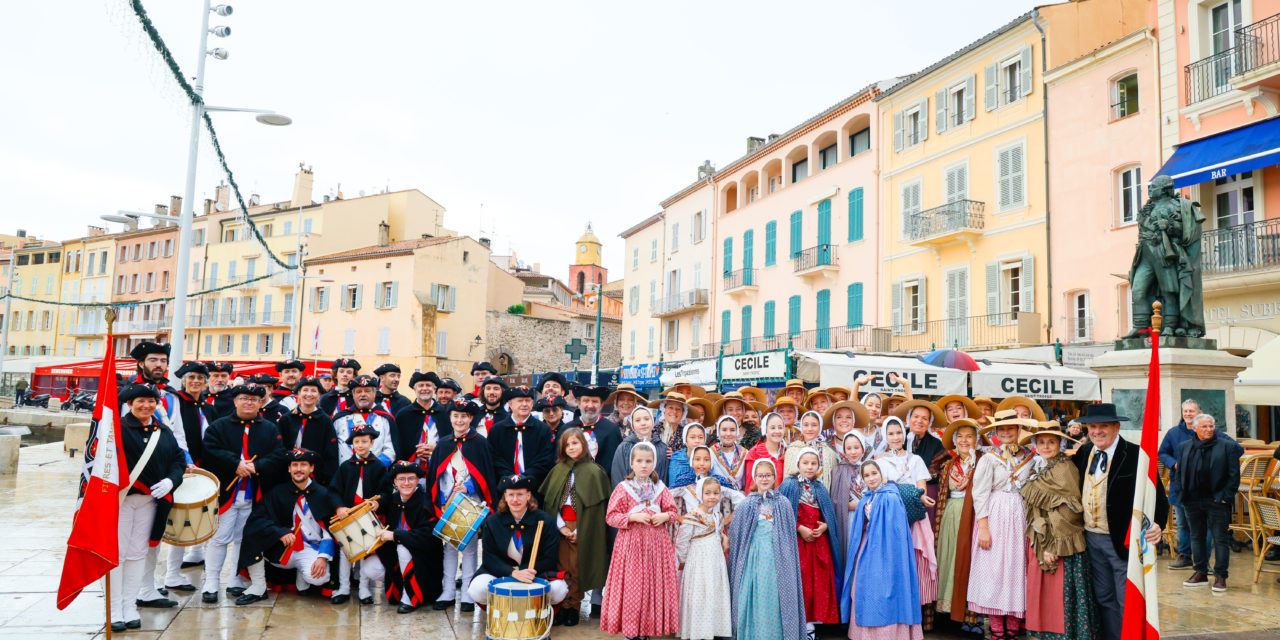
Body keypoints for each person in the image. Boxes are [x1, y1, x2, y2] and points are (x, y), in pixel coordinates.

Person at [1071, 403, 1167, 640]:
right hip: (1091, 539)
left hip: (1124, 541)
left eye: (1103, 426)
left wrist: (1157, 524)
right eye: (1092, 427)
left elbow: (1159, 497)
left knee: (1127, 598)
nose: (1097, 431)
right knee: (1103, 598)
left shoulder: (1136, 455)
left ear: (1116, 427)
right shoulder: (1083, 453)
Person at [107, 383, 187, 632]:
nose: (146, 406)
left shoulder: (162, 430)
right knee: (117, 557)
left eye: (151, 401)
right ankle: (114, 609)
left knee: (137, 554)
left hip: (150, 502)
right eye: (140, 401)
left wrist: (171, 481)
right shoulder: (115, 429)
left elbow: (177, 459)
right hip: (121, 500)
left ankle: (130, 606)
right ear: (129, 404)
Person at [199, 385, 284, 603]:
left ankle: (234, 578)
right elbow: (210, 450)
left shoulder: (269, 428)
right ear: (235, 401)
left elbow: (279, 454)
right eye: (244, 398)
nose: (249, 402)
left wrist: (258, 467)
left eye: (254, 399)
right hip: (227, 492)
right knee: (219, 538)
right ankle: (211, 582)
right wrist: (234, 464)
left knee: (242, 538)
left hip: (254, 493)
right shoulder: (219, 426)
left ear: (260, 403)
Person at [234, 448, 340, 605]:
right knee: (253, 532)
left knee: (318, 578)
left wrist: (323, 557)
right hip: (281, 548)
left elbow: (330, 531)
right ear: (289, 468)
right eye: (295, 465)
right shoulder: (277, 492)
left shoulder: (324, 494)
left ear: (311, 468)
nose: (298, 469)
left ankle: (302, 575)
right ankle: (258, 587)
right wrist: (279, 533)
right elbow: (258, 519)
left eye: (303, 465)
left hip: (309, 548)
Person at [1019, 425, 1096, 640]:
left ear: (1060, 444)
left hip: (1059, 542)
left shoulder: (1064, 469)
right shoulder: (1042, 467)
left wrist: (1052, 546)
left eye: (1051, 442)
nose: (1046, 446)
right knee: (1044, 593)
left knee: (1060, 596)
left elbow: (1069, 512)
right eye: (1041, 442)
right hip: (1042, 537)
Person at [600, 442, 680, 639]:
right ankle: (631, 631)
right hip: (631, 546)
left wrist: (664, 517)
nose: (644, 465)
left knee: (652, 589)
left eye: (648, 461)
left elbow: (673, 512)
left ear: (654, 463)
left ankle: (646, 629)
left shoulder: (660, 488)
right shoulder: (623, 488)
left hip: (656, 546)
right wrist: (632, 517)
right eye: (639, 461)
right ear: (632, 464)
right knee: (633, 589)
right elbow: (611, 516)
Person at [967, 411, 1035, 639]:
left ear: (1018, 431)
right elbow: (980, 493)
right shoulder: (988, 458)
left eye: (1010, 429)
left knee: (1017, 569)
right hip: (994, 515)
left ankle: (1014, 629)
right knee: (993, 571)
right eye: (1001, 429)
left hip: (1020, 516)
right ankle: (996, 630)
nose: (1006, 433)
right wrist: (983, 527)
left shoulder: (1030, 457)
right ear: (996, 432)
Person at [840, 460, 924, 640]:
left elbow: (896, 531)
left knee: (886, 590)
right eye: (867, 475)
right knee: (862, 588)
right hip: (868, 547)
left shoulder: (891, 497)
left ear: (882, 474)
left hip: (888, 552)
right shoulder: (867, 497)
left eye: (874, 473)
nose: (871, 478)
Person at [426, 399, 497, 612]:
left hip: (470, 502)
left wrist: (468, 486)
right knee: (448, 547)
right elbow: (436, 475)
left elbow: (485, 473)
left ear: (471, 418)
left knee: (469, 548)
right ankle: (447, 590)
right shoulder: (444, 443)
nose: (459, 420)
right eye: (455, 416)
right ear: (450, 418)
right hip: (447, 501)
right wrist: (440, 500)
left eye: (464, 416)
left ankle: (467, 591)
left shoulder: (480, 442)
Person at [728, 459, 807, 640]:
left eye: (768, 475)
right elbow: (738, 534)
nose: (764, 479)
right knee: (753, 594)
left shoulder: (783, 503)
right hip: (753, 557)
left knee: (774, 595)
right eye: (760, 475)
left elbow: (788, 535)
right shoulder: (746, 503)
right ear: (754, 478)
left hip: (776, 557)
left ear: (775, 477)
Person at [540, 428, 611, 626]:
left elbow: (597, 509)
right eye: (567, 445)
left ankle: (574, 606)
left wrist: (580, 530)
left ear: (584, 445)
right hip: (561, 525)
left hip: (583, 526)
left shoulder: (594, 471)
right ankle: (561, 606)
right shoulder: (558, 470)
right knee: (563, 567)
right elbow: (551, 502)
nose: (571, 448)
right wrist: (561, 526)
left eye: (575, 443)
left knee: (577, 567)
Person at [466, 474, 568, 606]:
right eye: (511, 495)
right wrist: (512, 572)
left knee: (559, 589)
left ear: (528, 495)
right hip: (501, 573)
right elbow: (489, 558)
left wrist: (523, 571)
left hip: (534, 573)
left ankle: (535, 610)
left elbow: (550, 558)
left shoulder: (545, 521)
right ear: (505, 497)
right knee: (477, 589)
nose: (515, 499)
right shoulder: (492, 521)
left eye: (520, 494)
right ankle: (501, 611)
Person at [878, 417, 938, 626]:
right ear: (885, 436)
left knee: (915, 559)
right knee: (894, 560)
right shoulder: (879, 461)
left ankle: (914, 611)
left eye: (898, 433)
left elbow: (921, 486)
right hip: (891, 516)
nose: (896, 437)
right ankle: (894, 608)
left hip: (914, 515)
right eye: (891, 433)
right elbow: (880, 487)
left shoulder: (916, 459)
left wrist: (922, 497)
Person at [362, 460, 442, 613]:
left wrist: (395, 535)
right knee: (370, 566)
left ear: (418, 480)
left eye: (411, 478)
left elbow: (428, 537)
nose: (406, 483)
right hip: (398, 557)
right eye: (401, 479)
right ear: (395, 481)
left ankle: (410, 597)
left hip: (423, 560)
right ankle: (400, 585)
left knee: (403, 546)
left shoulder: (426, 502)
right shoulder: (393, 501)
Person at [1175, 413, 1243, 593]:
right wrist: (1182, 493)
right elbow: (1179, 472)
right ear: (1195, 428)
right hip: (1192, 500)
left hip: (1217, 500)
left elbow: (1234, 476)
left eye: (1211, 426)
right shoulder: (1184, 447)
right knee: (1196, 536)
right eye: (1204, 427)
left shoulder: (1227, 446)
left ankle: (1220, 575)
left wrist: (1224, 497)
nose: (1209, 430)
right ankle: (1200, 572)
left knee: (1220, 538)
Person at [779, 449, 843, 633]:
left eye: (813, 463)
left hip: (819, 542)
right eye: (805, 463)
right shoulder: (789, 485)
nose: (809, 467)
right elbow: (783, 513)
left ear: (819, 466)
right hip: (799, 543)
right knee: (803, 580)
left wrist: (825, 526)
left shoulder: (820, 487)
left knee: (819, 581)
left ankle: (815, 623)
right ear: (798, 464)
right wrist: (799, 528)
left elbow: (828, 514)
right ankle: (802, 623)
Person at [930, 418, 984, 634]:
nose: (964, 440)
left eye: (969, 436)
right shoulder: (948, 464)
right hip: (951, 513)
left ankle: (973, 615)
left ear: (976, 440)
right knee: (949, 559)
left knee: (971, 561)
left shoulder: (984, 461)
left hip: (974, 515)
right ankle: (949, 612)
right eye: (960, 436)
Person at [163, 361, 213, 589]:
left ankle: (196, 552)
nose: (195, 382)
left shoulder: (206, 405)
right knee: (181, 521)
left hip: (204, 467)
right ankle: (171, 574)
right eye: (191, 377)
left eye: (200, 378)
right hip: (181, 466)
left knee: (201, 515)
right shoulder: (175, 403)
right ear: (184, 380)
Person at [329, 425, 389, 604]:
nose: (361, 445)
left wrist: (378, 503)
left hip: (368, 517)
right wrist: (339, 507)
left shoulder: (378, 466)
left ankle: (364, 588)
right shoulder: (346, 467)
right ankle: (344, 587)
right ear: (351, 444)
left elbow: (386, 491)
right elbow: (334, 490)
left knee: (365, 550)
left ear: (371, 443)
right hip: (348, 517)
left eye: (364, 441)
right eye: (357, 442)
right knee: (345, 551)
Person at [676, 478, 733, 640]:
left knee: (714, 589)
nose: (712, 497)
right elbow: (682, 541)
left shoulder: (717, 516)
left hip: (715, 560)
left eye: (716, 493)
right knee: (700, 593)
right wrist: (685, 561)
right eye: (707, 493)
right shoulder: (693, 516)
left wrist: (724, 538)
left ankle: (713, 628)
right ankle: (698, 630)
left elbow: (719, 532)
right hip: (698, 561)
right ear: (700, 495)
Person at [1157, 398, 1209, 569]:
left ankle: (1203, 560)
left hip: (1203, 485)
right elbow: (1162, 452)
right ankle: (1184, 555)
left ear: (1199, 413)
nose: (1187, 414)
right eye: (1185, 411)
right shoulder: (1173, 433)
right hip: (1180, 484)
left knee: (1203, 524)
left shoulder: (1207, 431)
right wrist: (1174, 463)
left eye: (1191, 411)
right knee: (1182, 523)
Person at [487, 385, 556, 487]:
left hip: (534, 485)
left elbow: (545, 459)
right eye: (520, 401)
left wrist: (525, 477)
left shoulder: (543, 429)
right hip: (504, 486)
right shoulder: (497, 429)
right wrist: (510, 477)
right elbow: (494, 458)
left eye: (528, 401)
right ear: (510, 404)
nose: (524, 404)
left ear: (532, 404)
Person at [276, 377, 340, 484]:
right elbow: (279, 448)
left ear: (319, 394)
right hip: (289, 475)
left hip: (315, 477)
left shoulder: (325, 420)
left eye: (313, 391)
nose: (309, 394)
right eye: (305, 390)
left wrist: (325, 477)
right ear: (298, 393)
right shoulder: (287, 418)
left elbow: (330, 453)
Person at [895, 399, 947, 522]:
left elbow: (941, 472)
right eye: (916, 416)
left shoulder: (936, 444)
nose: (919, 421)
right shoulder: (898, 438)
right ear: (909, 418)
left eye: (924, 418)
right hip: (898, 492)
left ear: (929, 422)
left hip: (927, 492)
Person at [331, 374, 397, 466]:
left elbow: (390, 450)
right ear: (353, 395)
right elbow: (331, 449)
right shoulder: (340, 419)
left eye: (367, 391)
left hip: (376, 475)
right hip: (346, 475)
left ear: (375, 394)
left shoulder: (385, 419)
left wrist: (374, 467)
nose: (363, 394)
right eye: (358, 391)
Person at [568, 384, 623, 473]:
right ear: (578, 403)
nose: (590, 405)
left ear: (601, 405)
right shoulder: (567, 429)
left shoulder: (611, 430)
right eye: (586, 401)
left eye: (595, 401)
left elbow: (615, 465)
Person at [393, 371, 444, 464]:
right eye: (421, 385)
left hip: (439, 464)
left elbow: (450, 440)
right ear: (414, 389)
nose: (424, 388)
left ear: (434, 389)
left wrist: (437, 447)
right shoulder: (403, 415)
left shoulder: (444, 413)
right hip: (412, 468)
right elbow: (399, 445)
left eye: (428, 385)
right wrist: (416, 452)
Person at [829, 433, 868, 557]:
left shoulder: (870, 468)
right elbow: (835, 499)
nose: (853, 452)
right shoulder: (838, 470)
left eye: (856, 448)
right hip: (848, 518)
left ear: (863, 448)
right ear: (844, 450)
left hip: (868, 516)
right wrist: (857, 506)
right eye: (849, 448)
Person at [783, 410, 840, 489]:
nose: (809, 429)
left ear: (820, 427)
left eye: (814, 425)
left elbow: (833, 483)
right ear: (801, 427)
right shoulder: (792, 450)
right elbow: (786, 481)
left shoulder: (828, 452)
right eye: (806, 425)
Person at [612, 406, 669, 485]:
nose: (643, 423)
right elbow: (618, 476)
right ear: (633, 424)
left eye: (646, 419)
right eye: (638, 420)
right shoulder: (624, 448)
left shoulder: (662, 448)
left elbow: (665, 478)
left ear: (652, 421)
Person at [744, 412, 787, 492]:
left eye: (780, 427)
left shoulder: (787, 453)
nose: (777, 431)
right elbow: (750, 486)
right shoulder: (754, 453)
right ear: (765, 429)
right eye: (773, 428)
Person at [711, 415, 748, 490]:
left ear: (737, 432)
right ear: (718, 432)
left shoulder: (744, 453)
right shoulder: (710, 452)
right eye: (724, 430)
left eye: (732, 430)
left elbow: (746, 480)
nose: (728, 434)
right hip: (716, 496)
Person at [262, 359, 304, 424]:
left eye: (294, 371)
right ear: (281, 375)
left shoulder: (307, 395)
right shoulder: (272, 397)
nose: (291, 374)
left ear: (300, 374)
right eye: (287, 372)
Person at [669, 423, 709, 488]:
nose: (697, 441)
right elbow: (673, 485)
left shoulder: (710, 456)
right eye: (692, 437)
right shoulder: (677, 458)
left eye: (700, 437)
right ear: (685, 439)